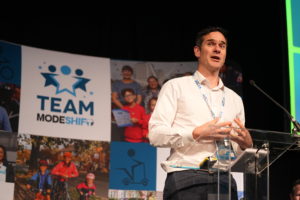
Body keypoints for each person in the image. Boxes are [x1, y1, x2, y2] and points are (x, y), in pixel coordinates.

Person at [148, 26, 253, 200]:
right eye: (211, 44)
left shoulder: (234, 99)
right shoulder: (176, 86)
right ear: (197, 50)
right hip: (186, 177)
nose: (217, 49)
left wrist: (244, 145)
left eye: (222, 45)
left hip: (224, 180)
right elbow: (155, 135)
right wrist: (195, 133)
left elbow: (234, 152)